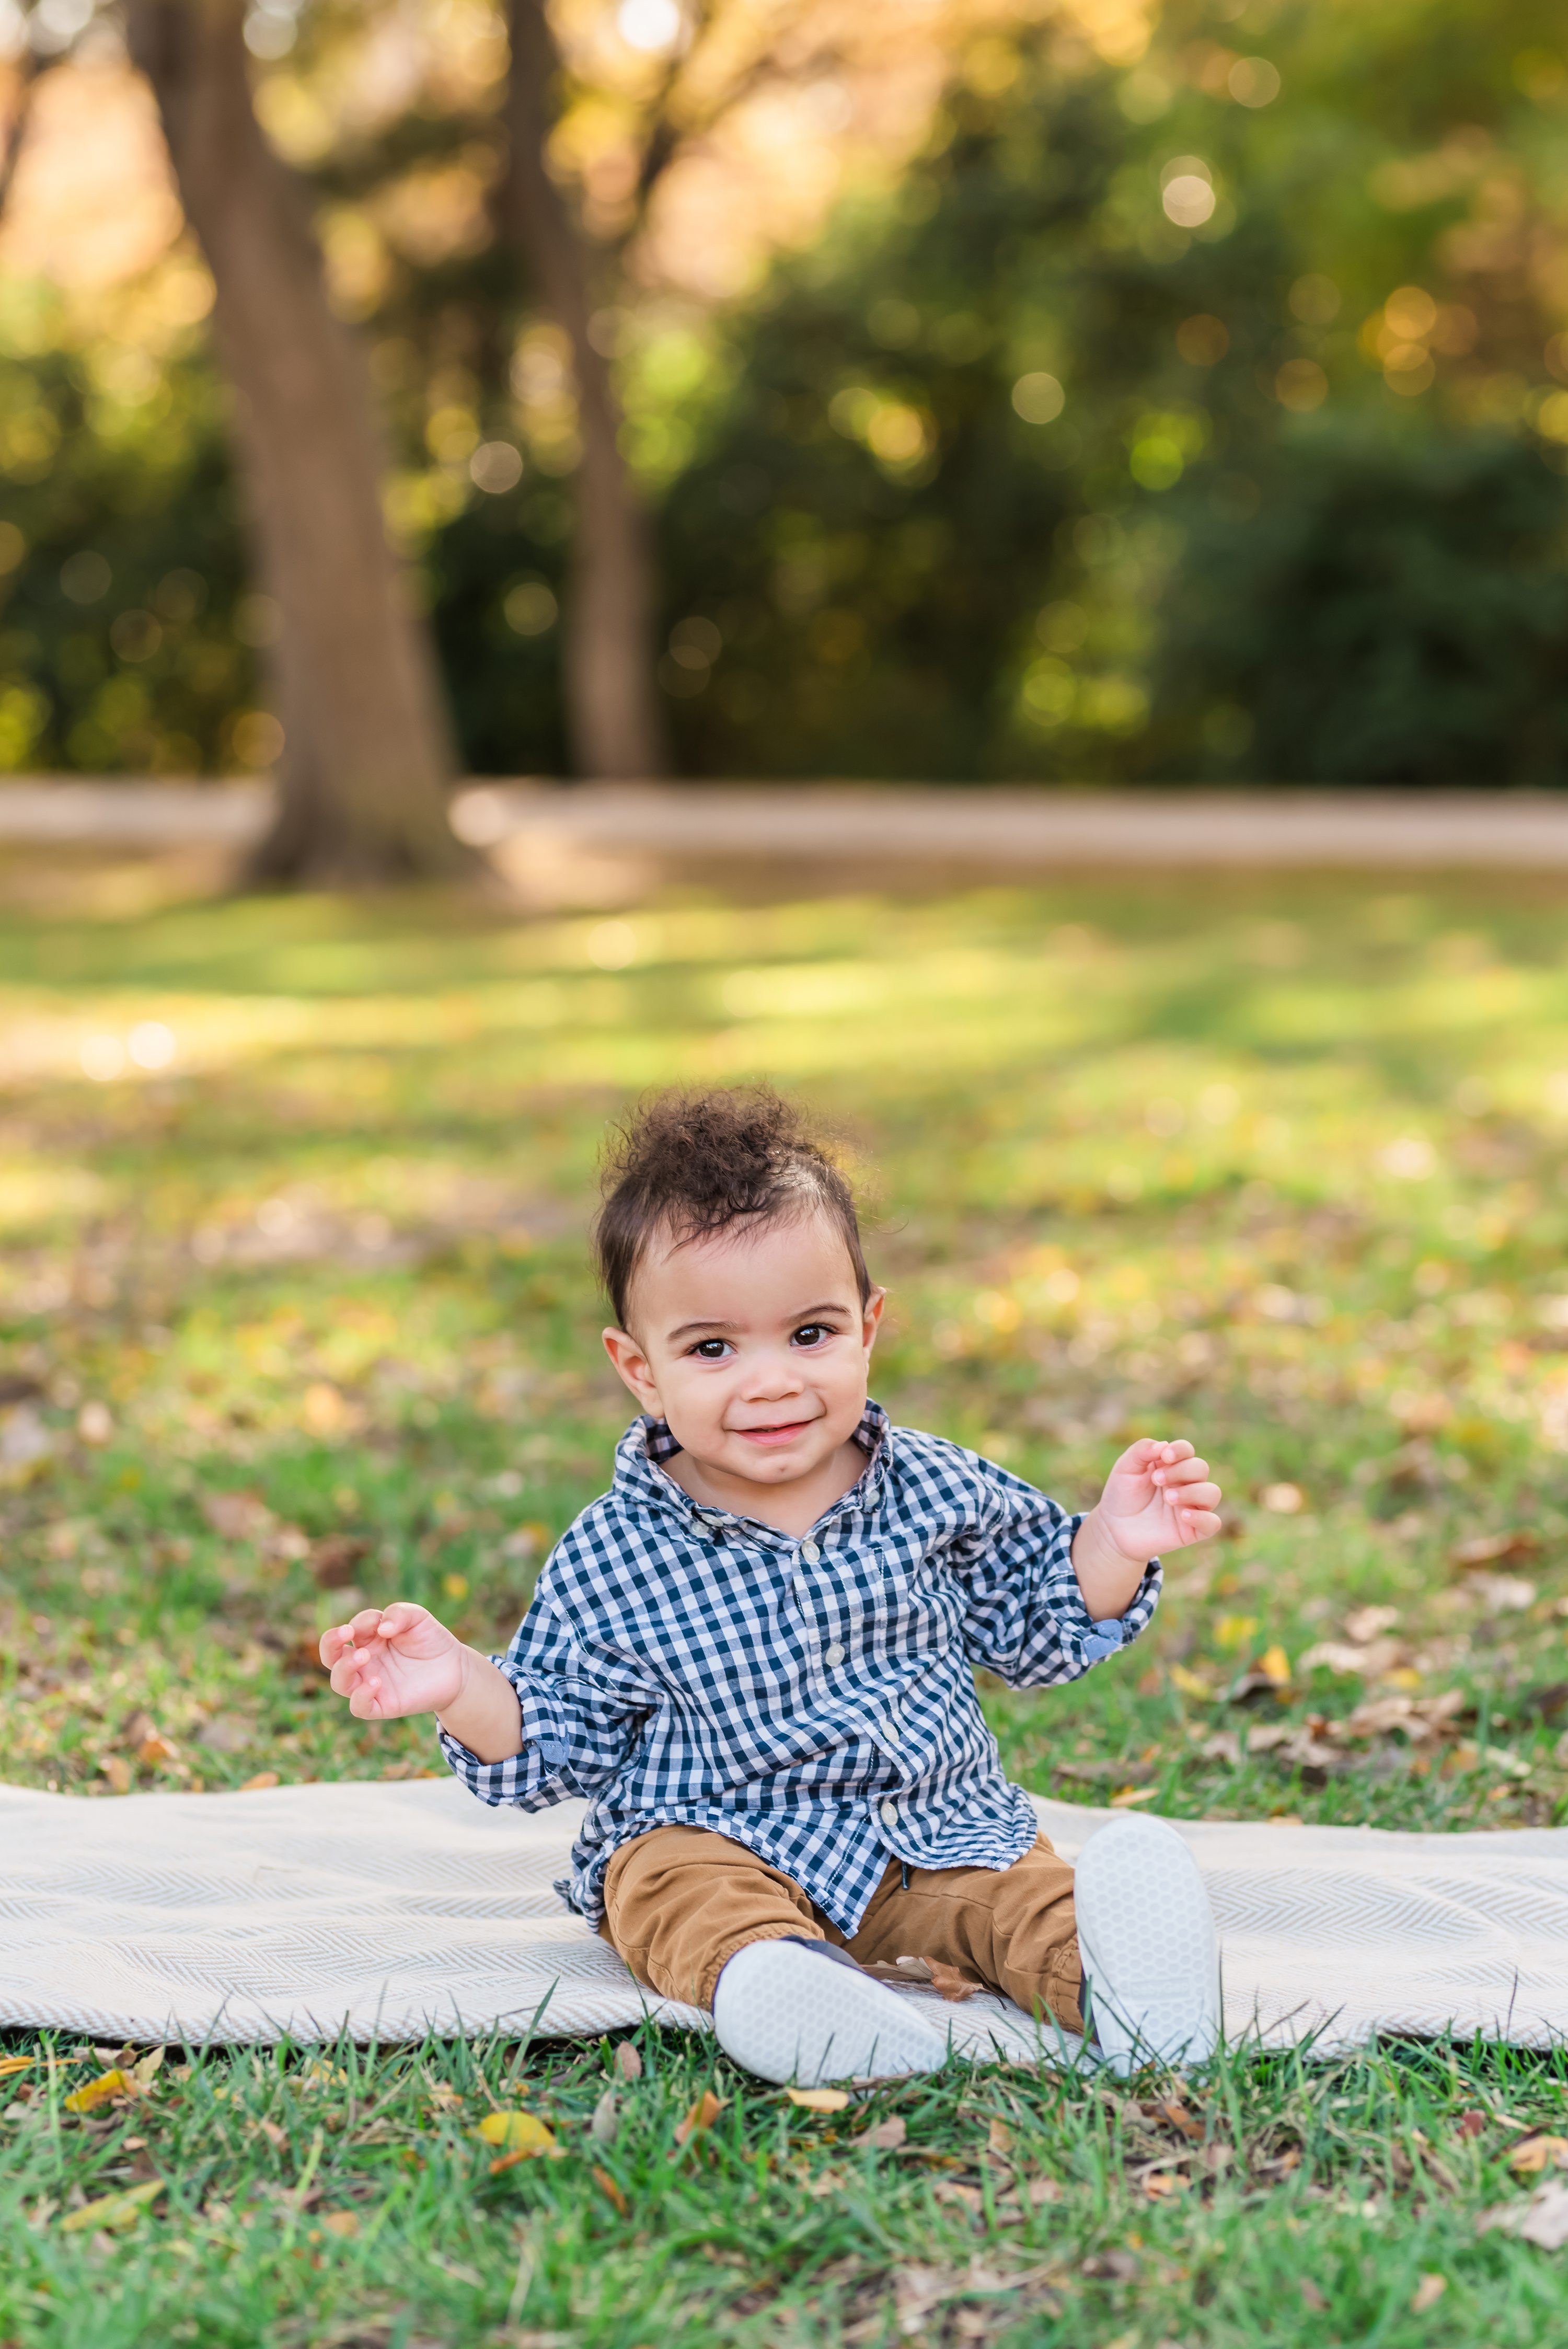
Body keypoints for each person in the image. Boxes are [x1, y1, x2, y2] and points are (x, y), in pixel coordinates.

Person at [320, 1088, 1223, 2085]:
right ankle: (782, 1986)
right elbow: (552, 1736)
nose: (773, 1382)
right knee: (670, 1892)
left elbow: (1035, 1619)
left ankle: (1127, 1989)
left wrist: (1112, 1541)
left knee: (1018, 1894)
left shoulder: (935, 1487)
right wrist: (458, 1681)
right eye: (713, 1348)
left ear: (869, 1328)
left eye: (810, 1334)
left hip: (924, 1828)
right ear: (640, 1369)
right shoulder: (619, 1547)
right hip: (714, 1832)